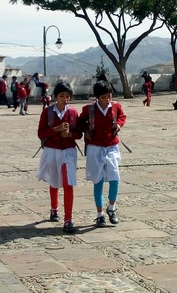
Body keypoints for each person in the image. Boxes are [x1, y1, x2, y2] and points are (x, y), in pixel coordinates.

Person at [78, 80, 127, 227]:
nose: (107, 100)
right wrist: (85, 131)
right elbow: (80, 121)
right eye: (104, 97)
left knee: (114, 177)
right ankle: (99, 214)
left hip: (111, 145)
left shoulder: (116, 106)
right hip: (95, 147)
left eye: (109, 96)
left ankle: (111, 207)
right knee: (97, 180)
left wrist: (119, 125)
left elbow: (122, 117)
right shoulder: (89, 109)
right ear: (97, 98)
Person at [37, 81, 82, 234]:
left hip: (68, 151)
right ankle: (54, 208)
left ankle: (68, 219)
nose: (65, 99)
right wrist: (56, 129)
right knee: (54, 180)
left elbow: (79, 134)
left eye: (67, 96)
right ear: (56, 96)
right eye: (62, 96)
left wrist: (70, 134)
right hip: (52, 151)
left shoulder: (73, 112)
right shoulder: (48, 112)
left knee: (68, 183)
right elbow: (41, 133)